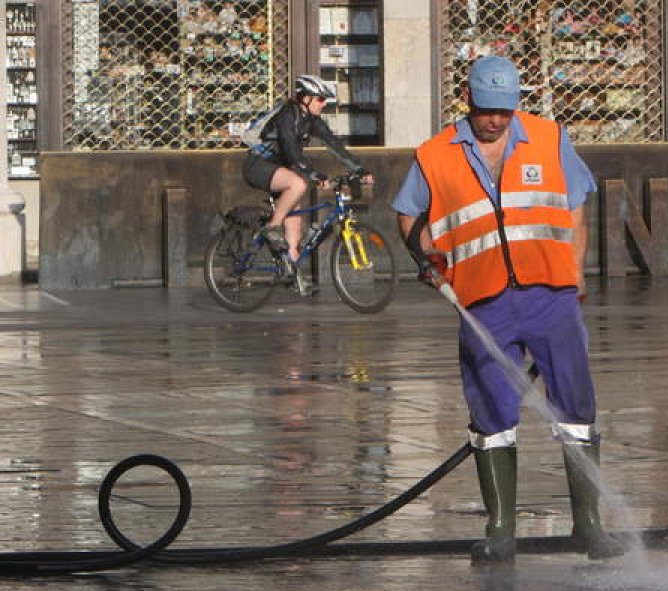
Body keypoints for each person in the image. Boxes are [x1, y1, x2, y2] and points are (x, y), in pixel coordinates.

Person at [393, 56, 622, 564]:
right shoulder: (435, 155)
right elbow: (408, 213)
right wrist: (427, 256)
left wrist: (577, 272)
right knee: (492, 412)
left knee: (576, 408)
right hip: (483, 302)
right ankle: (500, 530)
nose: (496, 120)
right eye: (486, 110)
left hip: (551, 296)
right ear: (468, 100)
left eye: (505, 109)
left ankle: (589, 526)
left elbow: (577, 202)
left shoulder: (549, 137)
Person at [241, 75, 375, 294]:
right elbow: (291, 152)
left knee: (295, 223)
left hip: (281, 169)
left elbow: (333, 144)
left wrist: (359, 169)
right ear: (305, 98)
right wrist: (314, 174)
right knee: (298, 184)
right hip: (258, 165)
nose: (324, 104)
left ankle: (293, 275)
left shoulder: (311, 119)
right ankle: (271, 228)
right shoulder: (288, 114)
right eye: (320, 99)